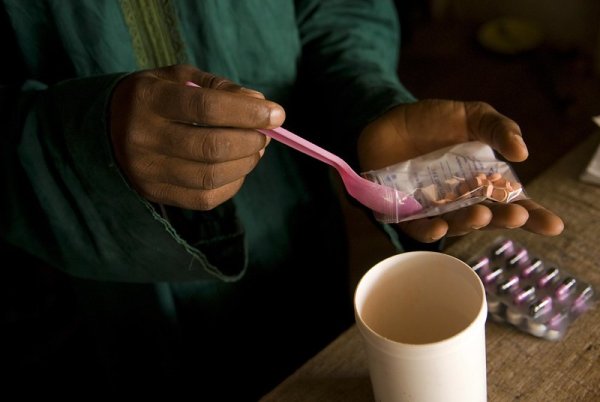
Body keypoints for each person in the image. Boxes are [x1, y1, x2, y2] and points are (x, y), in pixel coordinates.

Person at [1, 0, 563, 399]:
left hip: (296, 266)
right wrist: (77, 144)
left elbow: (339, 12)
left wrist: (365, 100)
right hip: (86, 320)